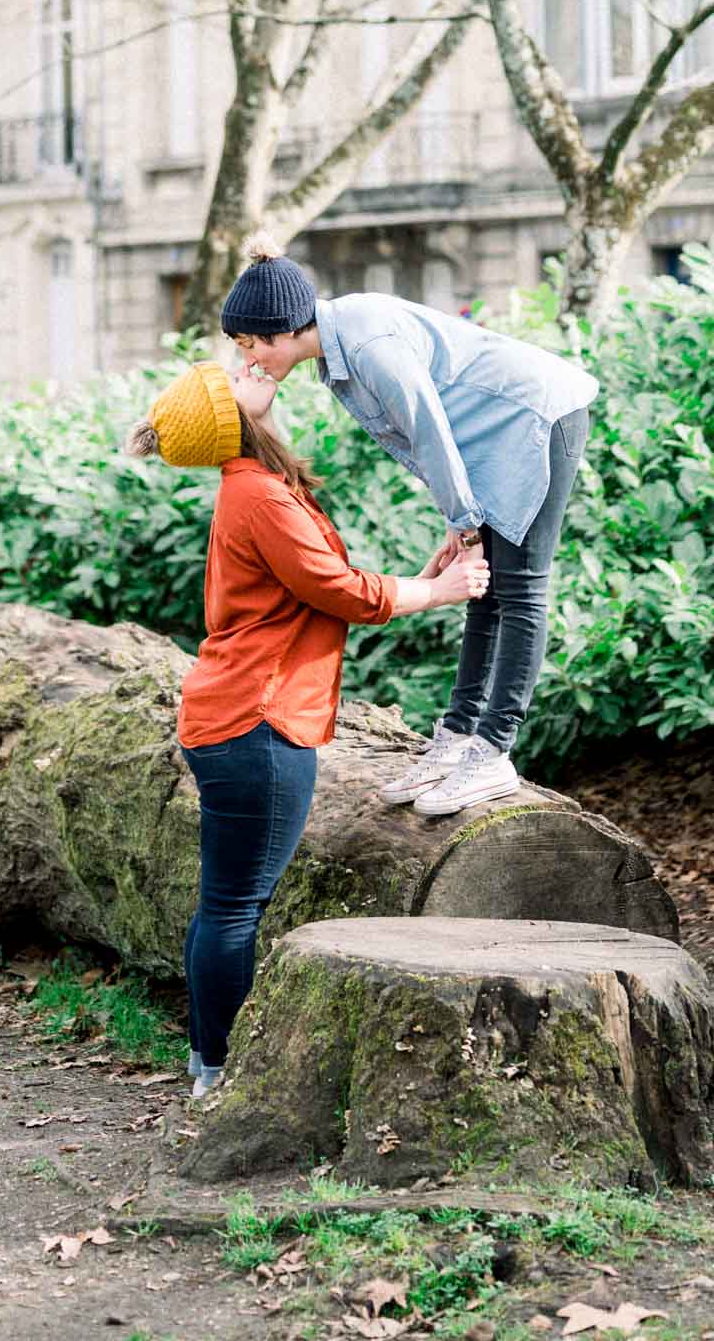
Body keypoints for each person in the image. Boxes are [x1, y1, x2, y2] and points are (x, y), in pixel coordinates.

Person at [126, 358, 489, 1097]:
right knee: (234, 906)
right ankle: (219, 1075)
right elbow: (339, 591)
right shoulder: (259, 495)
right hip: (255, 723)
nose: (250, 364)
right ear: (233, 416)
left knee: (225, 901)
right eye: (234, 373)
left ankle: (209, 1062)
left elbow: (318, 592)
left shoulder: (256, 490)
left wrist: (426, 578)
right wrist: (443, 591)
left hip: (235, 715)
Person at [220, 235, 598, 816]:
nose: (250, 361)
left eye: (251, 346)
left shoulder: (366, 339)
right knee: (482, 590)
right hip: (487, 441)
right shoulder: (336, 352)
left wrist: (467, 524)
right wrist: (461, 516)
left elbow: (427, 429)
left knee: (519, 589)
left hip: (536, 419)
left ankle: (493, 752)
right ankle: (455, 738)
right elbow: (426, 438)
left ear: (281, 330)